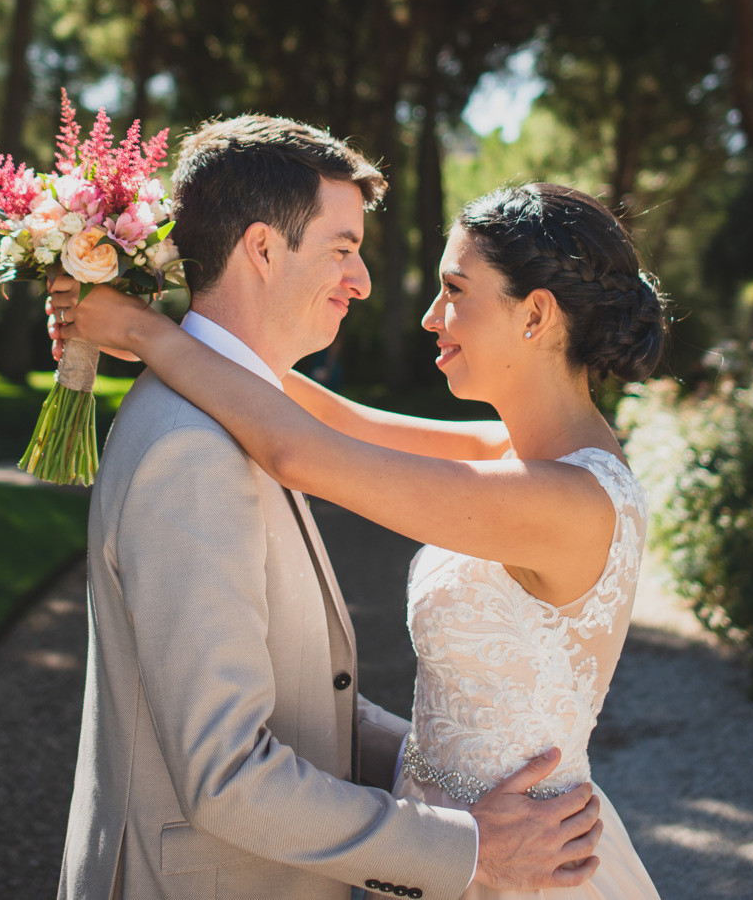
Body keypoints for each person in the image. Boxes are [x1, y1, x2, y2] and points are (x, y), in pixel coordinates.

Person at [51, 177, 667, 900]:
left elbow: (301, 452)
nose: (431, 316)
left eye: (455, 290)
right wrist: (180, 337)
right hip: (466, 840)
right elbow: (339, 420)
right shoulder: (512, 452)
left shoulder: (567, 501)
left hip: (523, 864)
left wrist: (142, 332)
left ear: (534, 313)